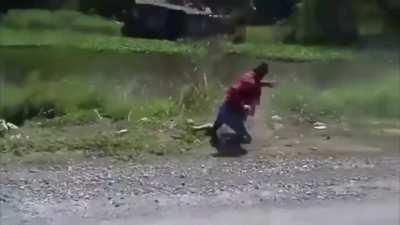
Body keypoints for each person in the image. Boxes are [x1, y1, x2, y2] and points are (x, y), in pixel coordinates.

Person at [206, 62, 275, 147]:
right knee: (246, 138)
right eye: (264, 75)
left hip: (226, 108)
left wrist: (266, 84)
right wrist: (243, 105)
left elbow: (254, 83)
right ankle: (227, 143)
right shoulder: (250, 82)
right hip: (232, 113)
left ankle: (214, 131)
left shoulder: (250, 75)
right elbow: (235, 90)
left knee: (223, 119)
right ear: (261, 73)